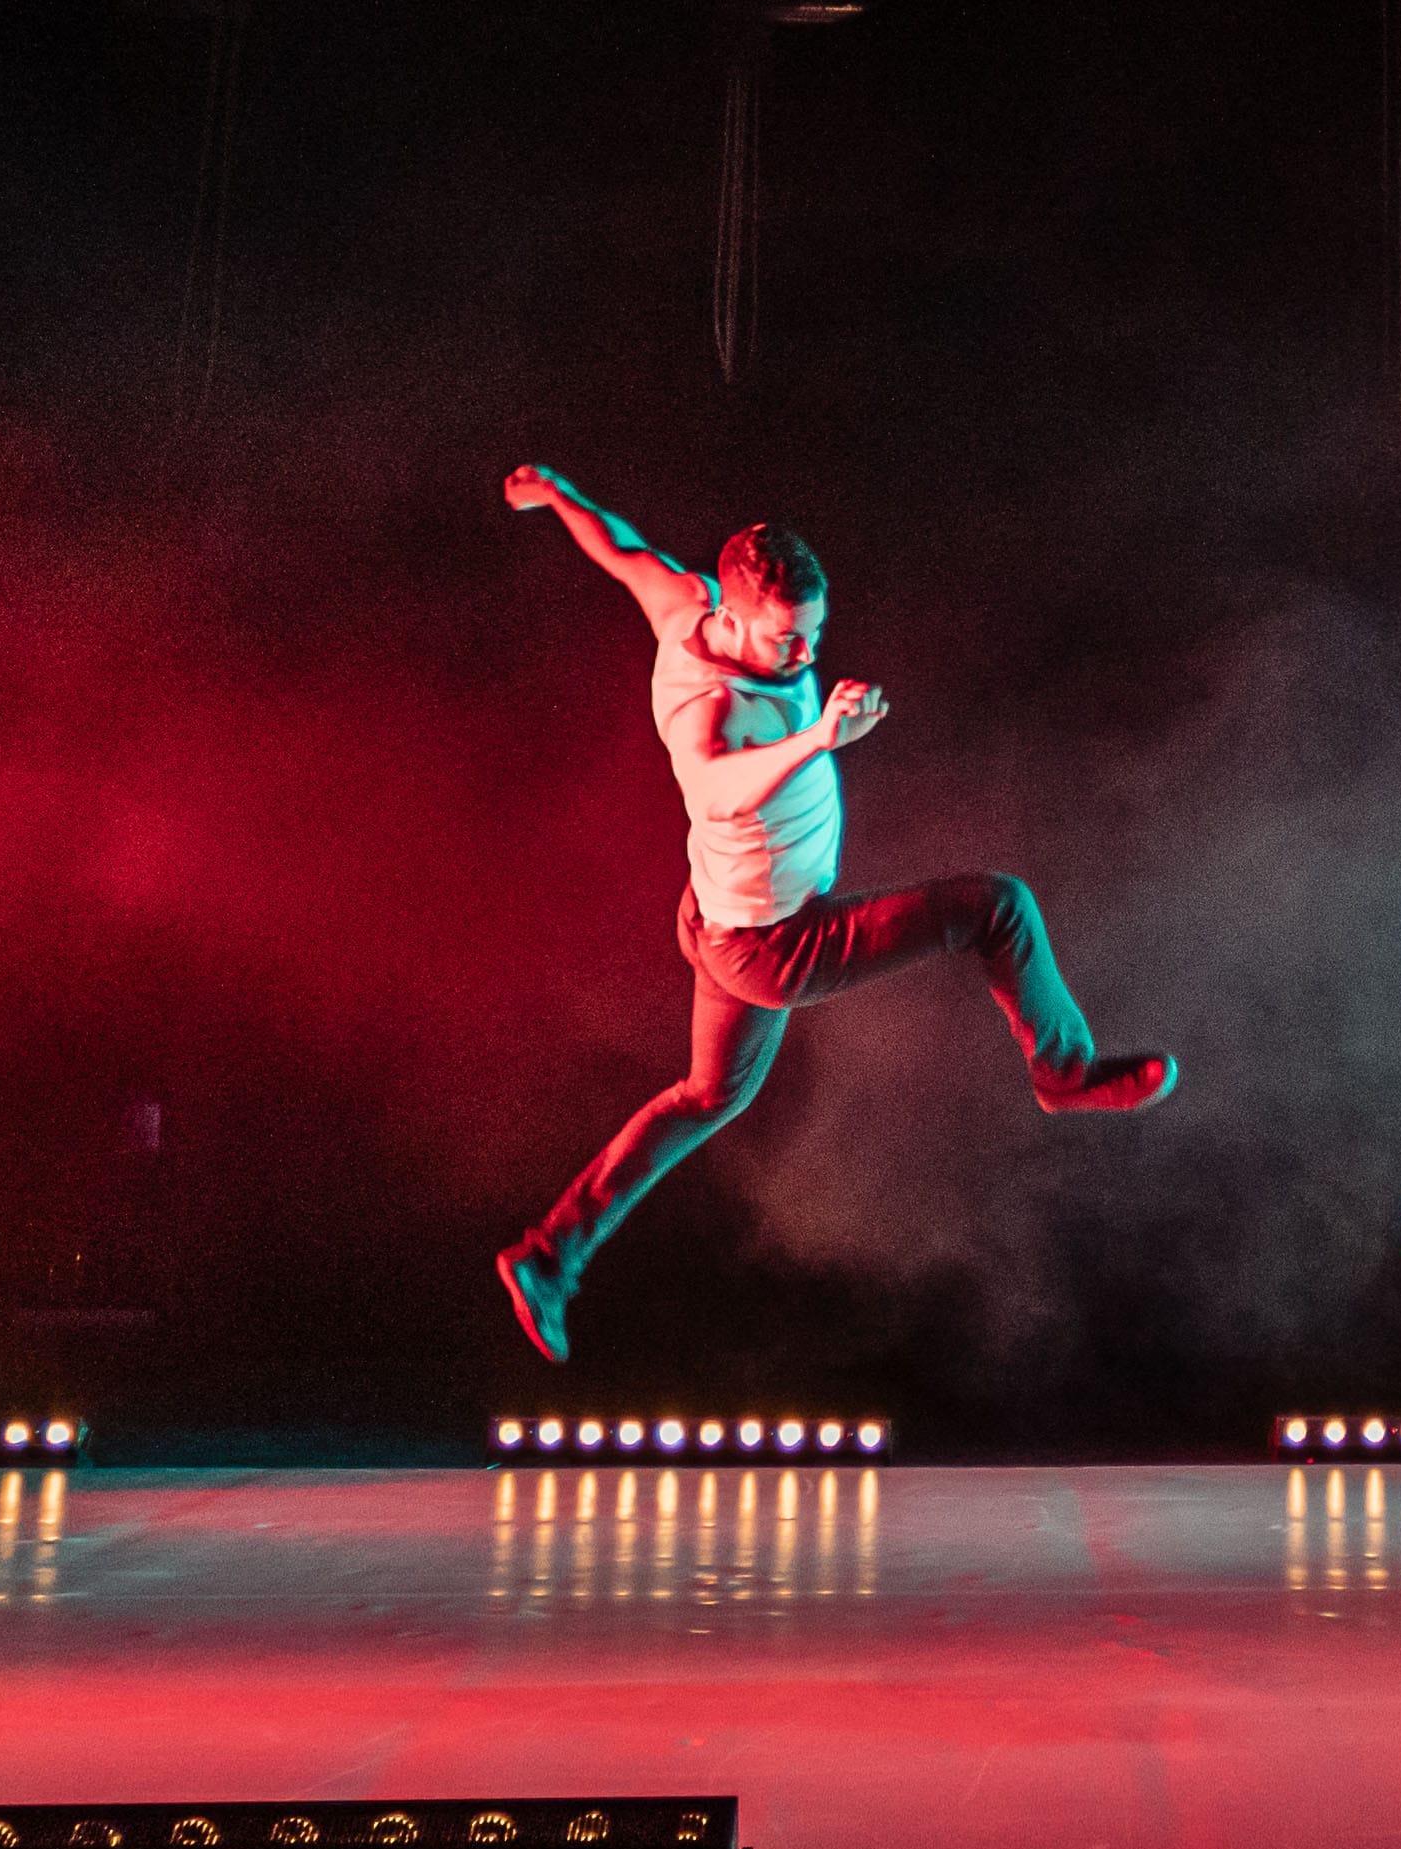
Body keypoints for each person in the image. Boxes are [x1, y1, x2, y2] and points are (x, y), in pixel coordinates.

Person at [494, 462, 1177, 1359]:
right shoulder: (714, 707)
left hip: (719, 922)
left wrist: (552, 495)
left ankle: (551, 1253)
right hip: (774, 946)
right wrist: (820, 736)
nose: (806, 656)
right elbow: (712, 785)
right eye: (788, 643)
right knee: (996, 909)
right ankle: (1063, 1074)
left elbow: (618, 546)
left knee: (706, 1097)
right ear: (735, 622)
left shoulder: (684, 599)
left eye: (814, 635)